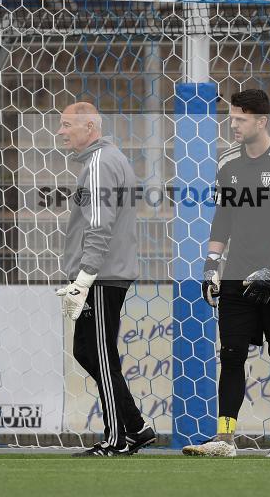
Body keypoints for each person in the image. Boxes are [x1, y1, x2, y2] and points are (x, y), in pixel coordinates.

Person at [182, 89, 270, 458]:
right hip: (237, 272)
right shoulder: (228, 160)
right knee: (232, 354)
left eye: (240, 118)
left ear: (261, 121)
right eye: (231, 117)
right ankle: (225, 438)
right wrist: (211, 266)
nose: (232, 124)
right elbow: (223, 218)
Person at [56, 101, 155, 456]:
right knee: (88, 350)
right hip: (104, 274)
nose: (61, 131)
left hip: (101, 276)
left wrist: (83, 278)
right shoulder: (108, 160)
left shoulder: (100, 164)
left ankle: (116, 439)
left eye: (68, 125)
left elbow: (99, 227)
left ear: (89, 128)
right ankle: (137, 427)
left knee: (97, 351)